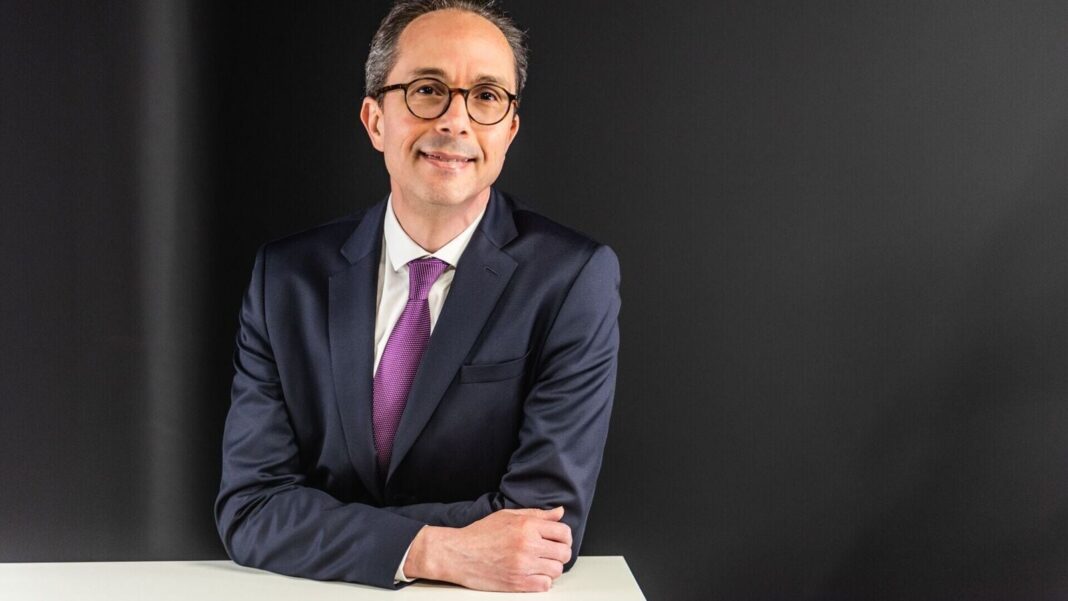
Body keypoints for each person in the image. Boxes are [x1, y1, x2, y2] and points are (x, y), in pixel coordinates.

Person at [214, 0, 620, 592]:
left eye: (485, 97)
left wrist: (321, 522)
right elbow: (249, 509)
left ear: (509, 129)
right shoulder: (286, 278)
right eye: (428, 89)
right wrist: (431, 550)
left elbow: (541, 533)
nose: (456, 121)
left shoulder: (572, 279)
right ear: (375, 119)